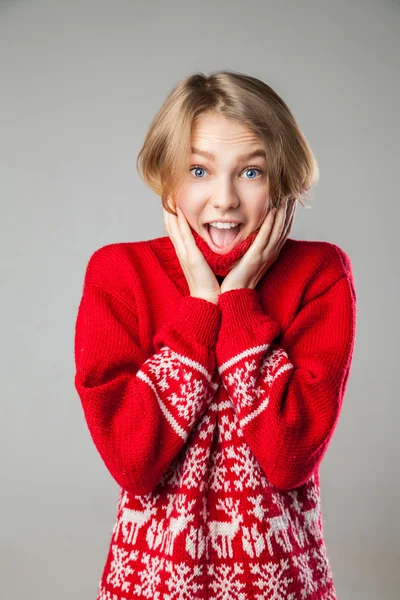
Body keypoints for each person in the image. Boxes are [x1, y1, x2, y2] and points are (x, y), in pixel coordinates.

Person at [74, 70, 357, 599]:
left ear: (284, 180)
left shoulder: (320, 274)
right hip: (152, 585)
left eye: (251, 172)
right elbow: (133, 462)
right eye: (199, 169)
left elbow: (289, 457)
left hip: (280, 584)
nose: (224, 199)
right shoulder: (119, 274)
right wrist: (201, 306)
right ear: (166, 177)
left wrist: (239, 300)